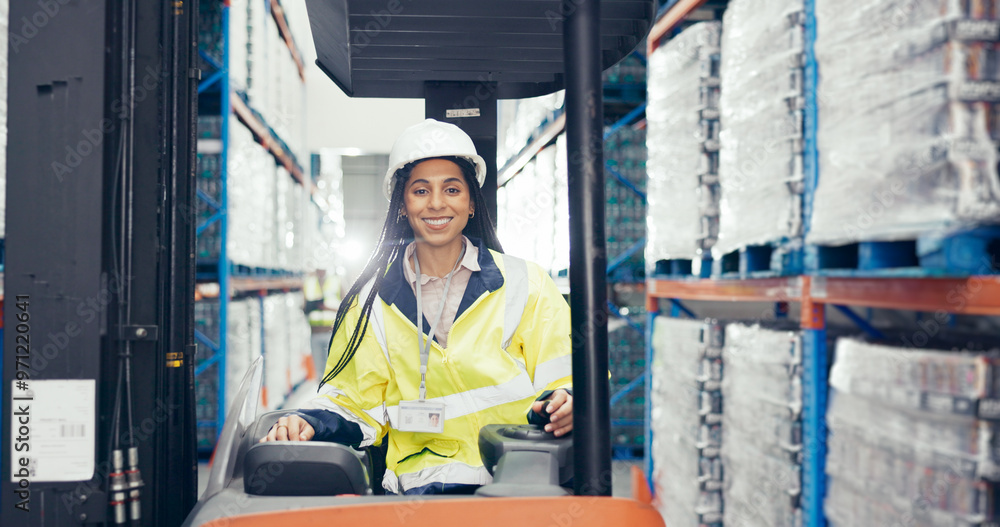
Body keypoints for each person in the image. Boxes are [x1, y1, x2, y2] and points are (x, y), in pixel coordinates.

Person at [260, 119, 574, 495]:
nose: (437, 203)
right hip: (423, 491)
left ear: (471, 202)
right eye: (421, 190)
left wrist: (568, 400)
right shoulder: (371, 305)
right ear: (402, 207)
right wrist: (309, 421)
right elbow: (355, 400)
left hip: (519, 479)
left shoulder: (526, 283)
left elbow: (566, 371)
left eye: (452, 189)